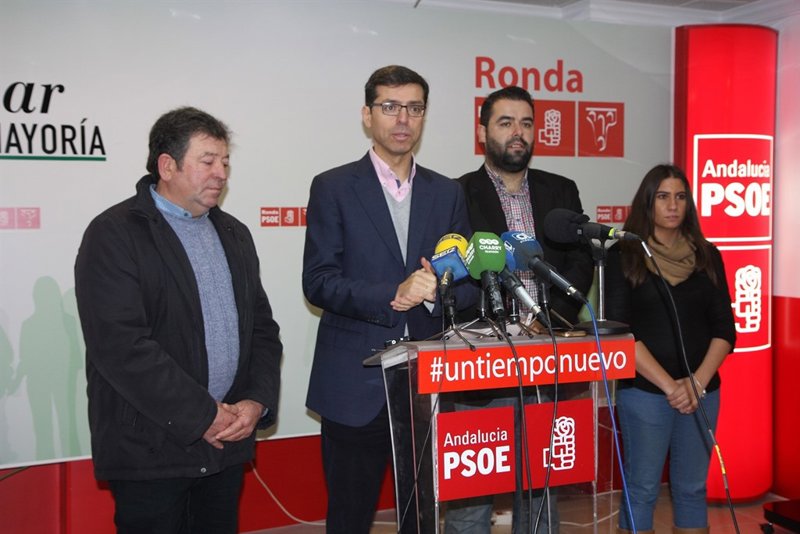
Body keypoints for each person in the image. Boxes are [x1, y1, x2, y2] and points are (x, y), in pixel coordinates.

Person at [74, 106, 283, 534]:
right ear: (167, 166)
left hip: (225, 445)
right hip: (151, 449)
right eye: (208, 161)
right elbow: (121, 347)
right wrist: (203, 415)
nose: (221, 173)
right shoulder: (114, 234)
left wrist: (255, 401)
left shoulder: (234, 234)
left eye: (225, 162)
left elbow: (262, 330)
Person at [302, 65, 474, 533]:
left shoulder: (447, 192)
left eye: (414, 108)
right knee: (350, 517)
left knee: (422, 517)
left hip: (428, 383)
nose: (403, 119)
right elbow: (318, 282)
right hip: (353, 382)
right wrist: (392, 294)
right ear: (367, 115)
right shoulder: (333, 187)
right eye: (390, 107)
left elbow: (467, 284)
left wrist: (438, 293)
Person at [446, 85, 594, 533]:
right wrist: (503, 324)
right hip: (482, 364)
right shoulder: (455, 193)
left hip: (547, 358)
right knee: (471, 499)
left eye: (526, 123)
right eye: (506, 122)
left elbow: (580, 263)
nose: (518, 132)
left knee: (540, 491)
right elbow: (456, 271)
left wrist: (545, 321)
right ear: (482, 132)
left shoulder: (561, 190)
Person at [604, 164, 736, 534]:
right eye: (663, 197)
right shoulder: (623, 255)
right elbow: (620, 333)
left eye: (680, 197)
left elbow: (725, 329)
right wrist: (670, 386)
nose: (673, 205)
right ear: (647, 202)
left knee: (692, 488)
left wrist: (696, 383)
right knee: (643, 488)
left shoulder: (707, 255)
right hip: (645, 393)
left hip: (702, 391)